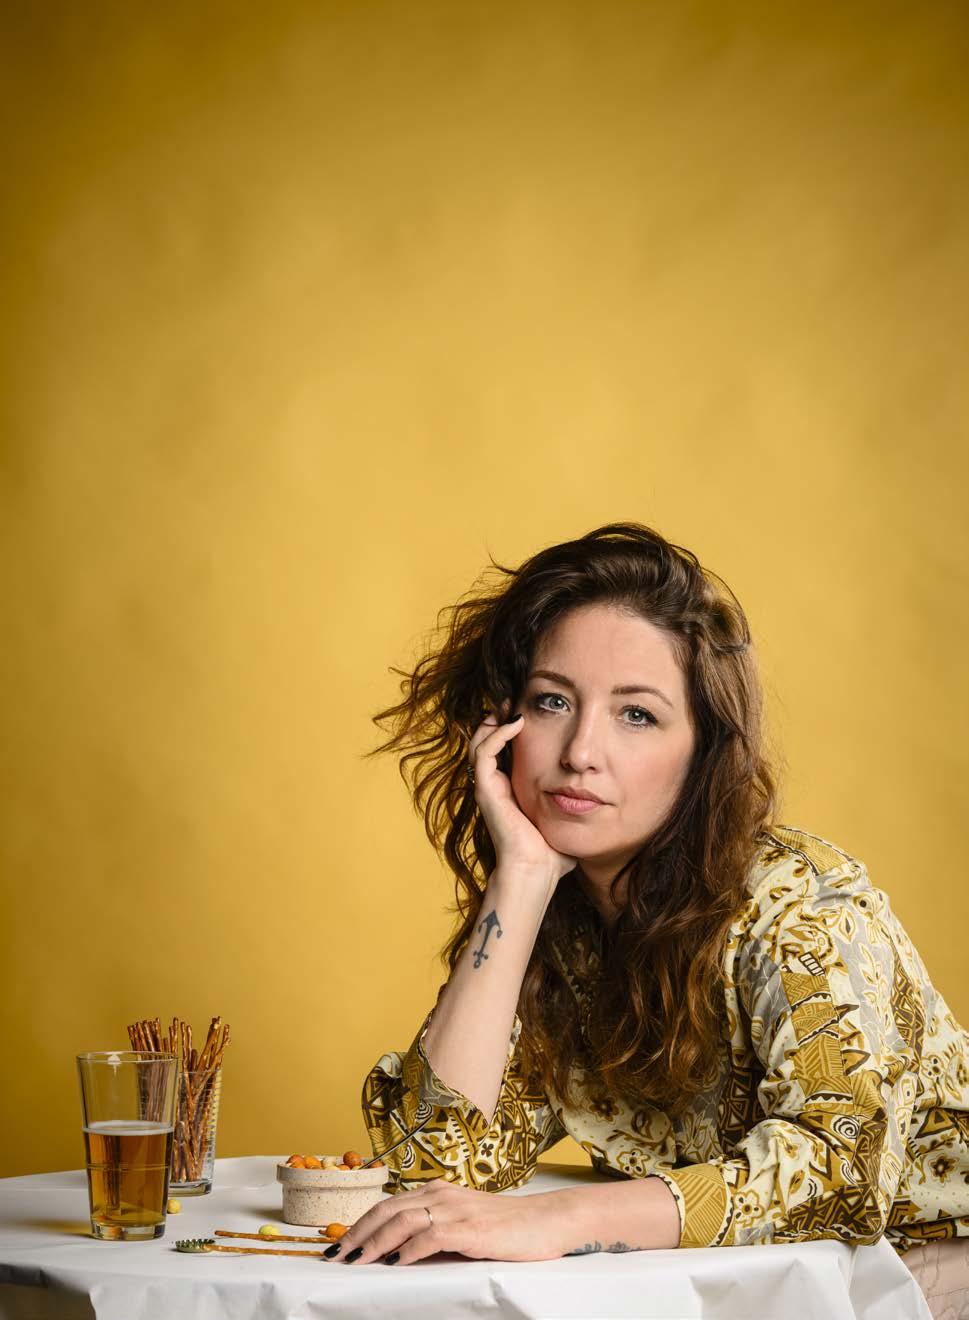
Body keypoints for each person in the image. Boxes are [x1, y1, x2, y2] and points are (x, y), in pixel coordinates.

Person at [330, 523, 969, 1298]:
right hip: (732, 1285)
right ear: (502, 729)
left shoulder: (797, 902)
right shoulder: (560, 926)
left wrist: (558, 1218)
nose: (579, 752)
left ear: (701, 753)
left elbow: (842, 1172)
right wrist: (520, 880)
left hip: (919, 1270)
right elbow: (436, 1169)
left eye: (636, 714)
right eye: (552, 701)